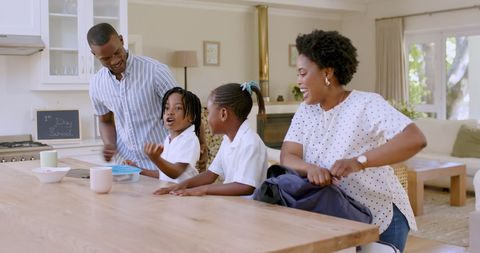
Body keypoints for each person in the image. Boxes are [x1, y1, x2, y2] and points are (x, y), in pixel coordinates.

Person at [280, 30, 427, 252]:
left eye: (302, 73)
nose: (298, 81)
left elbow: (414, 138)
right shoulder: (306, 111)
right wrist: (309, 168)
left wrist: (359, 161)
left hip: (381, 215)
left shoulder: (366, 104)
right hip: (336, 218)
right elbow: (287, 155)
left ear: (327, 73)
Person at [153, 81, 268, 196]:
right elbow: (210, 174)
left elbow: (245, 187)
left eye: (209, 112)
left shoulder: (250, 142)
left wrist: (204, 189)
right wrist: (180, 186)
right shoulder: (227, 140)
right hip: (234, 205)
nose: (206, 119)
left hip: (251, 209)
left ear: (223, 114)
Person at [87, 23, 176, 170]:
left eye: (117, 52)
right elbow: (106, 120)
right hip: (126, 165)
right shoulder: (96, 84)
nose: (114, 61)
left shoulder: (155, 71)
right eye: (106, 58)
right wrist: (109, 144)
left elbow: (186, 111)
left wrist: (200, 145)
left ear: (121, 40)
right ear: (94, 55)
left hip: (163, 164)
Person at [140, 87, 202, 183]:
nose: (170, 112)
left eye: (178, 108)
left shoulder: (190, 139)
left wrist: (156, 158)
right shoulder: (168, 139)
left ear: (191, 117)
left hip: (185, 196)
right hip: (170, 193)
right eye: (167, 108)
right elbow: (163, 174)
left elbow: (175, 172)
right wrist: (138, 170)